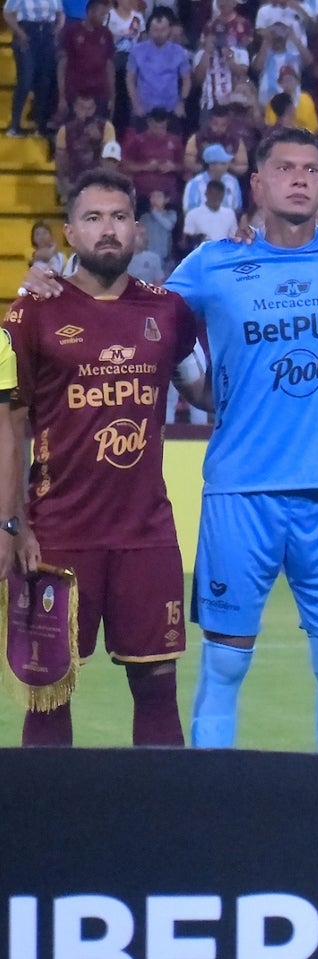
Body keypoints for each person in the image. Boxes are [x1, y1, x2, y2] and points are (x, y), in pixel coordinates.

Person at [26, 128, 318, 752]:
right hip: (240, 492)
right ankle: (211, 814)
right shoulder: (211, 263)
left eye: (312, 169)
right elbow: (126, 311)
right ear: (255, 185)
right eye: (284, 168)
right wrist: (55, 283)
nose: (300, 179)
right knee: (224, 666)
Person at [0, 168, 205, 747]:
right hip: (58, 532)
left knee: (158, 687)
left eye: (118, 217)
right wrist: (13, 524)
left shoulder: (168, 313)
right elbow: (11, 426)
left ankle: (160, 829)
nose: (107, 230)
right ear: (69, 232)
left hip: (147, 534)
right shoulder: (32, 313)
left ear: (139, 231)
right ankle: (48, 829)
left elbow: (203, 390)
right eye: (92, 218)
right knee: (48, 691)